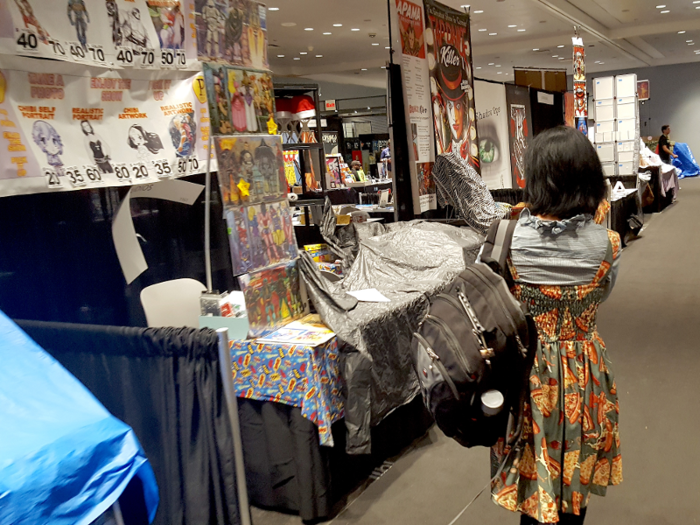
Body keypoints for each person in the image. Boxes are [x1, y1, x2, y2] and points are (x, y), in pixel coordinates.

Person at [489, 126, 622, 525]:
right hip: (584, 371)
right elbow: (604, 291)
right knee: (575, 477)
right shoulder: (608, 243)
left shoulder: (509, 236)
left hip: (528, 370)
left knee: (530, 470)